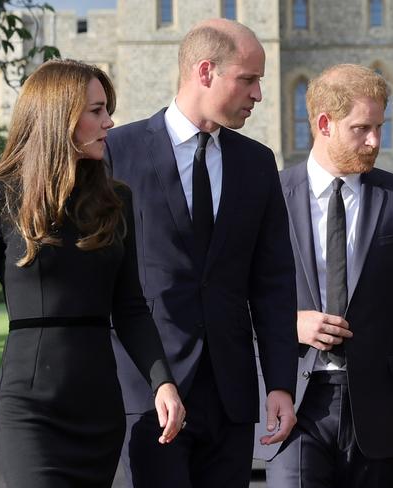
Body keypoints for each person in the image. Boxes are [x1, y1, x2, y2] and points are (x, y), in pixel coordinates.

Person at [0, 59, 184, 488]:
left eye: (106, 110)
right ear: (59, 115)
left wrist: (162, 382)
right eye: (96, 111)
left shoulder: (115, 200)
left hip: (99, 409)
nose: (109, 121)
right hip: (31, 411)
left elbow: (131, 307)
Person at [104, 18, 298, 488]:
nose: (258, 95)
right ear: (205, 71)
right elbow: (97, 276)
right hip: (146, 389)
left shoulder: (257, 163)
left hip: (230, 395)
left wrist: (279, 383)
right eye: (248, 79)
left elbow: (273, 283)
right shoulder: (117, 152)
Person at [253, 63, 393, 488]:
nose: (375, 141)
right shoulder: (268, 195)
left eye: (380, 126)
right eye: (362, 128)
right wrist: (289, 322)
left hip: (380, 406)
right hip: (292, 399)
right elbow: (233, 292)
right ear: (324, 124)